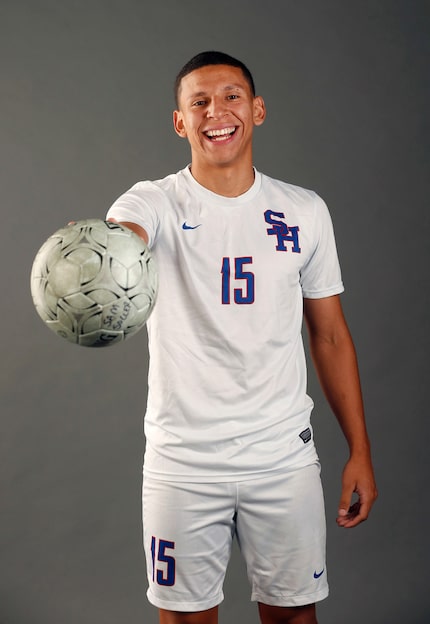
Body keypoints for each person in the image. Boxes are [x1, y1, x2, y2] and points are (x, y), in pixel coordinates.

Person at [106, 51, 377, 624]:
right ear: (180, 122)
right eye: (198, 102)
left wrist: (360, 450)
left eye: (230, 96)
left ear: (256, 109)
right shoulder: (152, 201)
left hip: (281, 457)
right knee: (185, 620)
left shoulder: (303, 211)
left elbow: (329, 337)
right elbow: (122, 236)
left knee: (292, 617)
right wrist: (106, 257)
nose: (216, 111)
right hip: (183, 462)